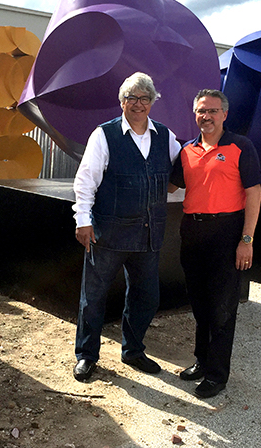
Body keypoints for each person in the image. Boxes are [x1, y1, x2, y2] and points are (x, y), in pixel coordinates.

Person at [72, 72, 181, 382]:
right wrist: (83, 220)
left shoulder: (166, 136)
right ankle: (87, 356)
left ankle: (133, 350)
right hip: (109, 233)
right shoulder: (104, 135)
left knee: (146, 297)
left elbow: (184, 171)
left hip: (149, 234)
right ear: (122, 102)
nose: (138, 104)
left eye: (144, 98)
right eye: (131, 98)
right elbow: (86, 180)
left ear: (152, 103)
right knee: (93, 298)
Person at [170, 89, 261, 398]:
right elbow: (169, 184)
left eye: (212, 111)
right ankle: (201, 360)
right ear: (194, 115)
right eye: (200, 111)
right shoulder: (186, 151)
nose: (206, 116)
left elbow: (254, 193)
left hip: (227, 234)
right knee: (199, 304)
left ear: (224, 114)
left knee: (222, 307)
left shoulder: (241, 147)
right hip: (192, 233)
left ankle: (217, 375)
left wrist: (246, 240)